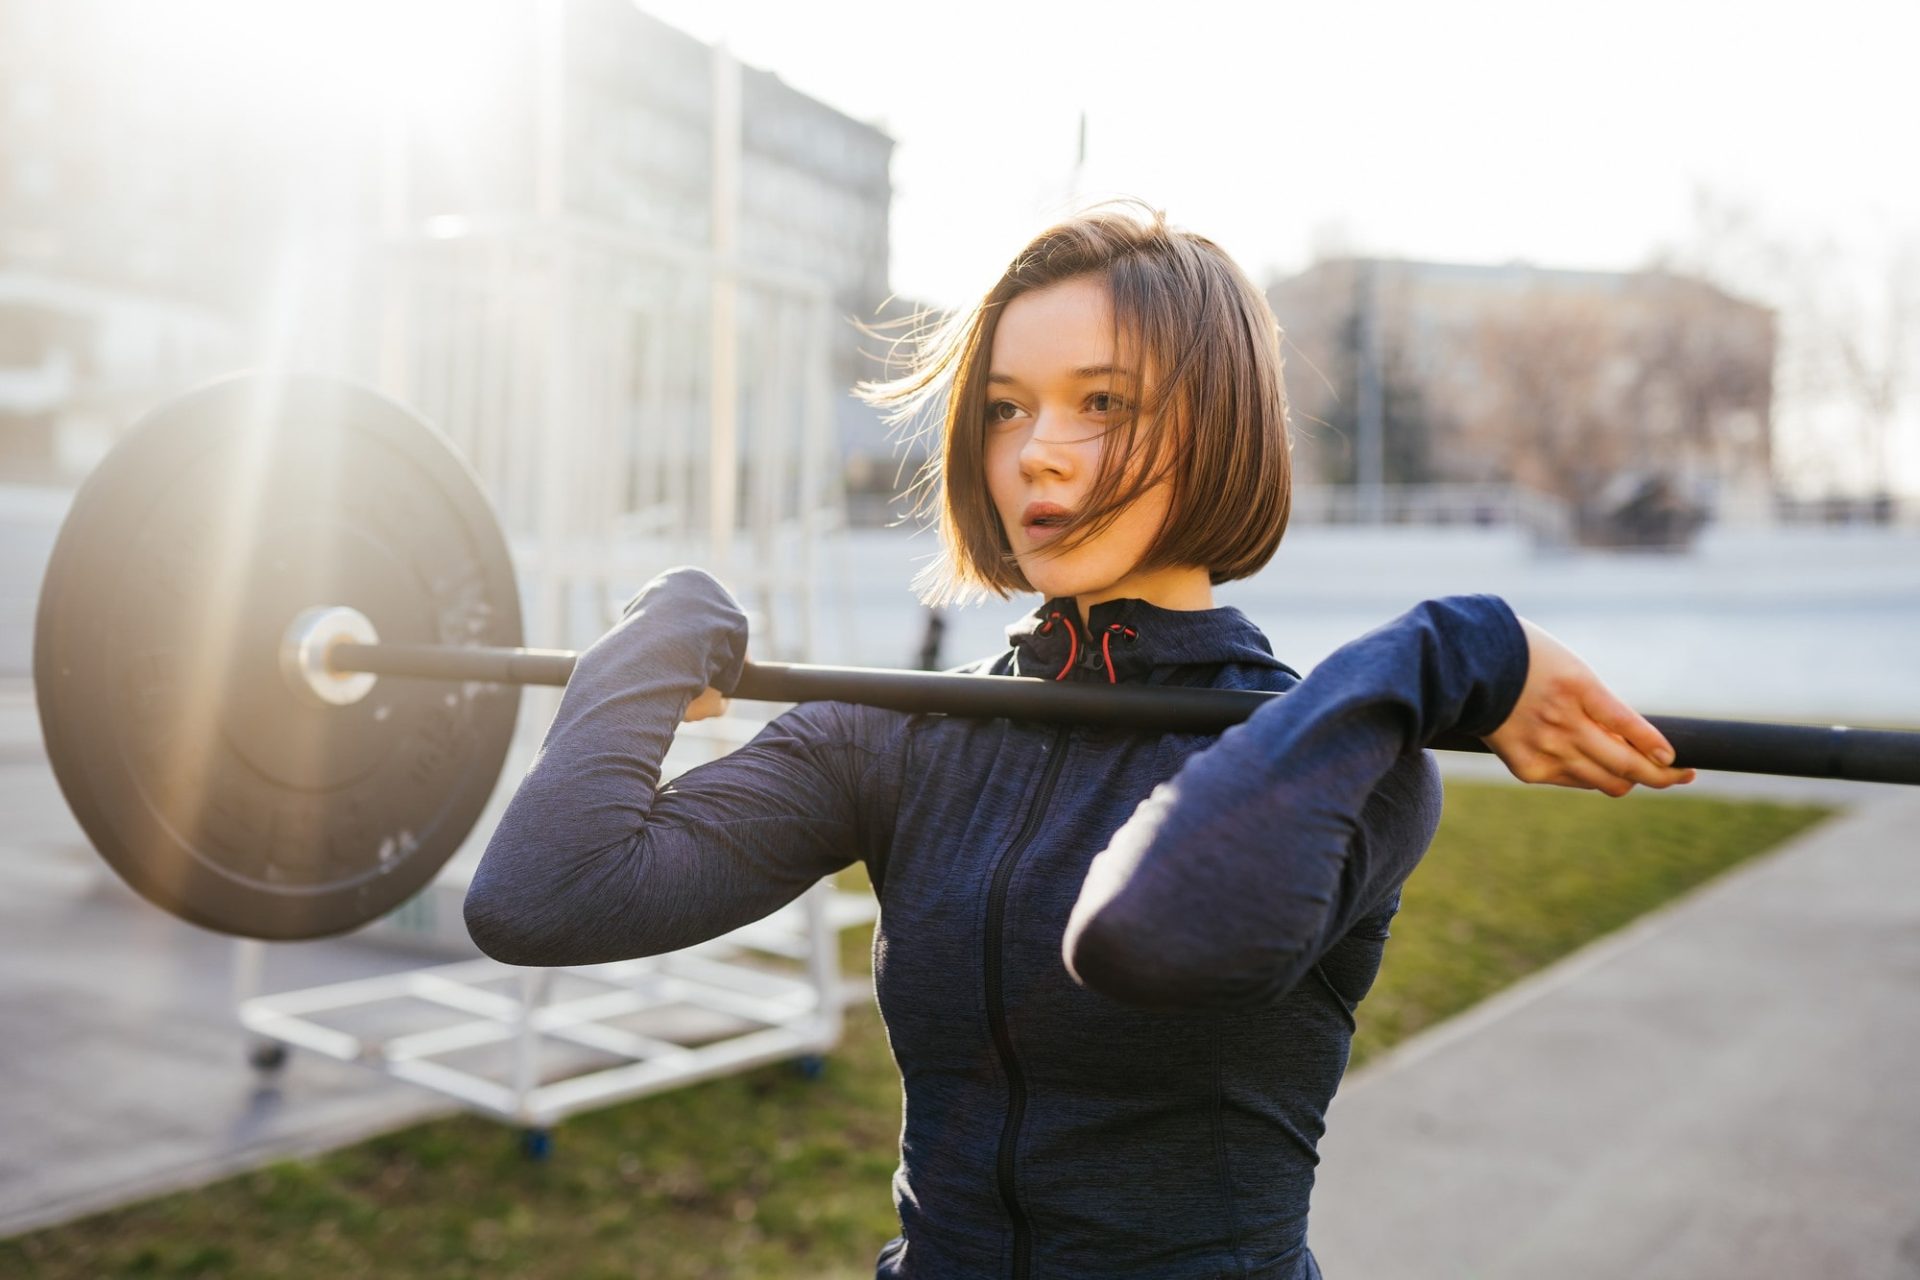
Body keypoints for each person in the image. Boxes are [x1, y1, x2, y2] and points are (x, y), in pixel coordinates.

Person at [464, 199, 1695, 1279]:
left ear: (1216, 422)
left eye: (1102, 402)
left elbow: (1154, 932)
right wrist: (663, 633)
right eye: (1006, 407)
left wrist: (1445, 649)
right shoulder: (909, 737)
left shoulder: (1338, 758)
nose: (1037, 449)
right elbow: (544, 896)